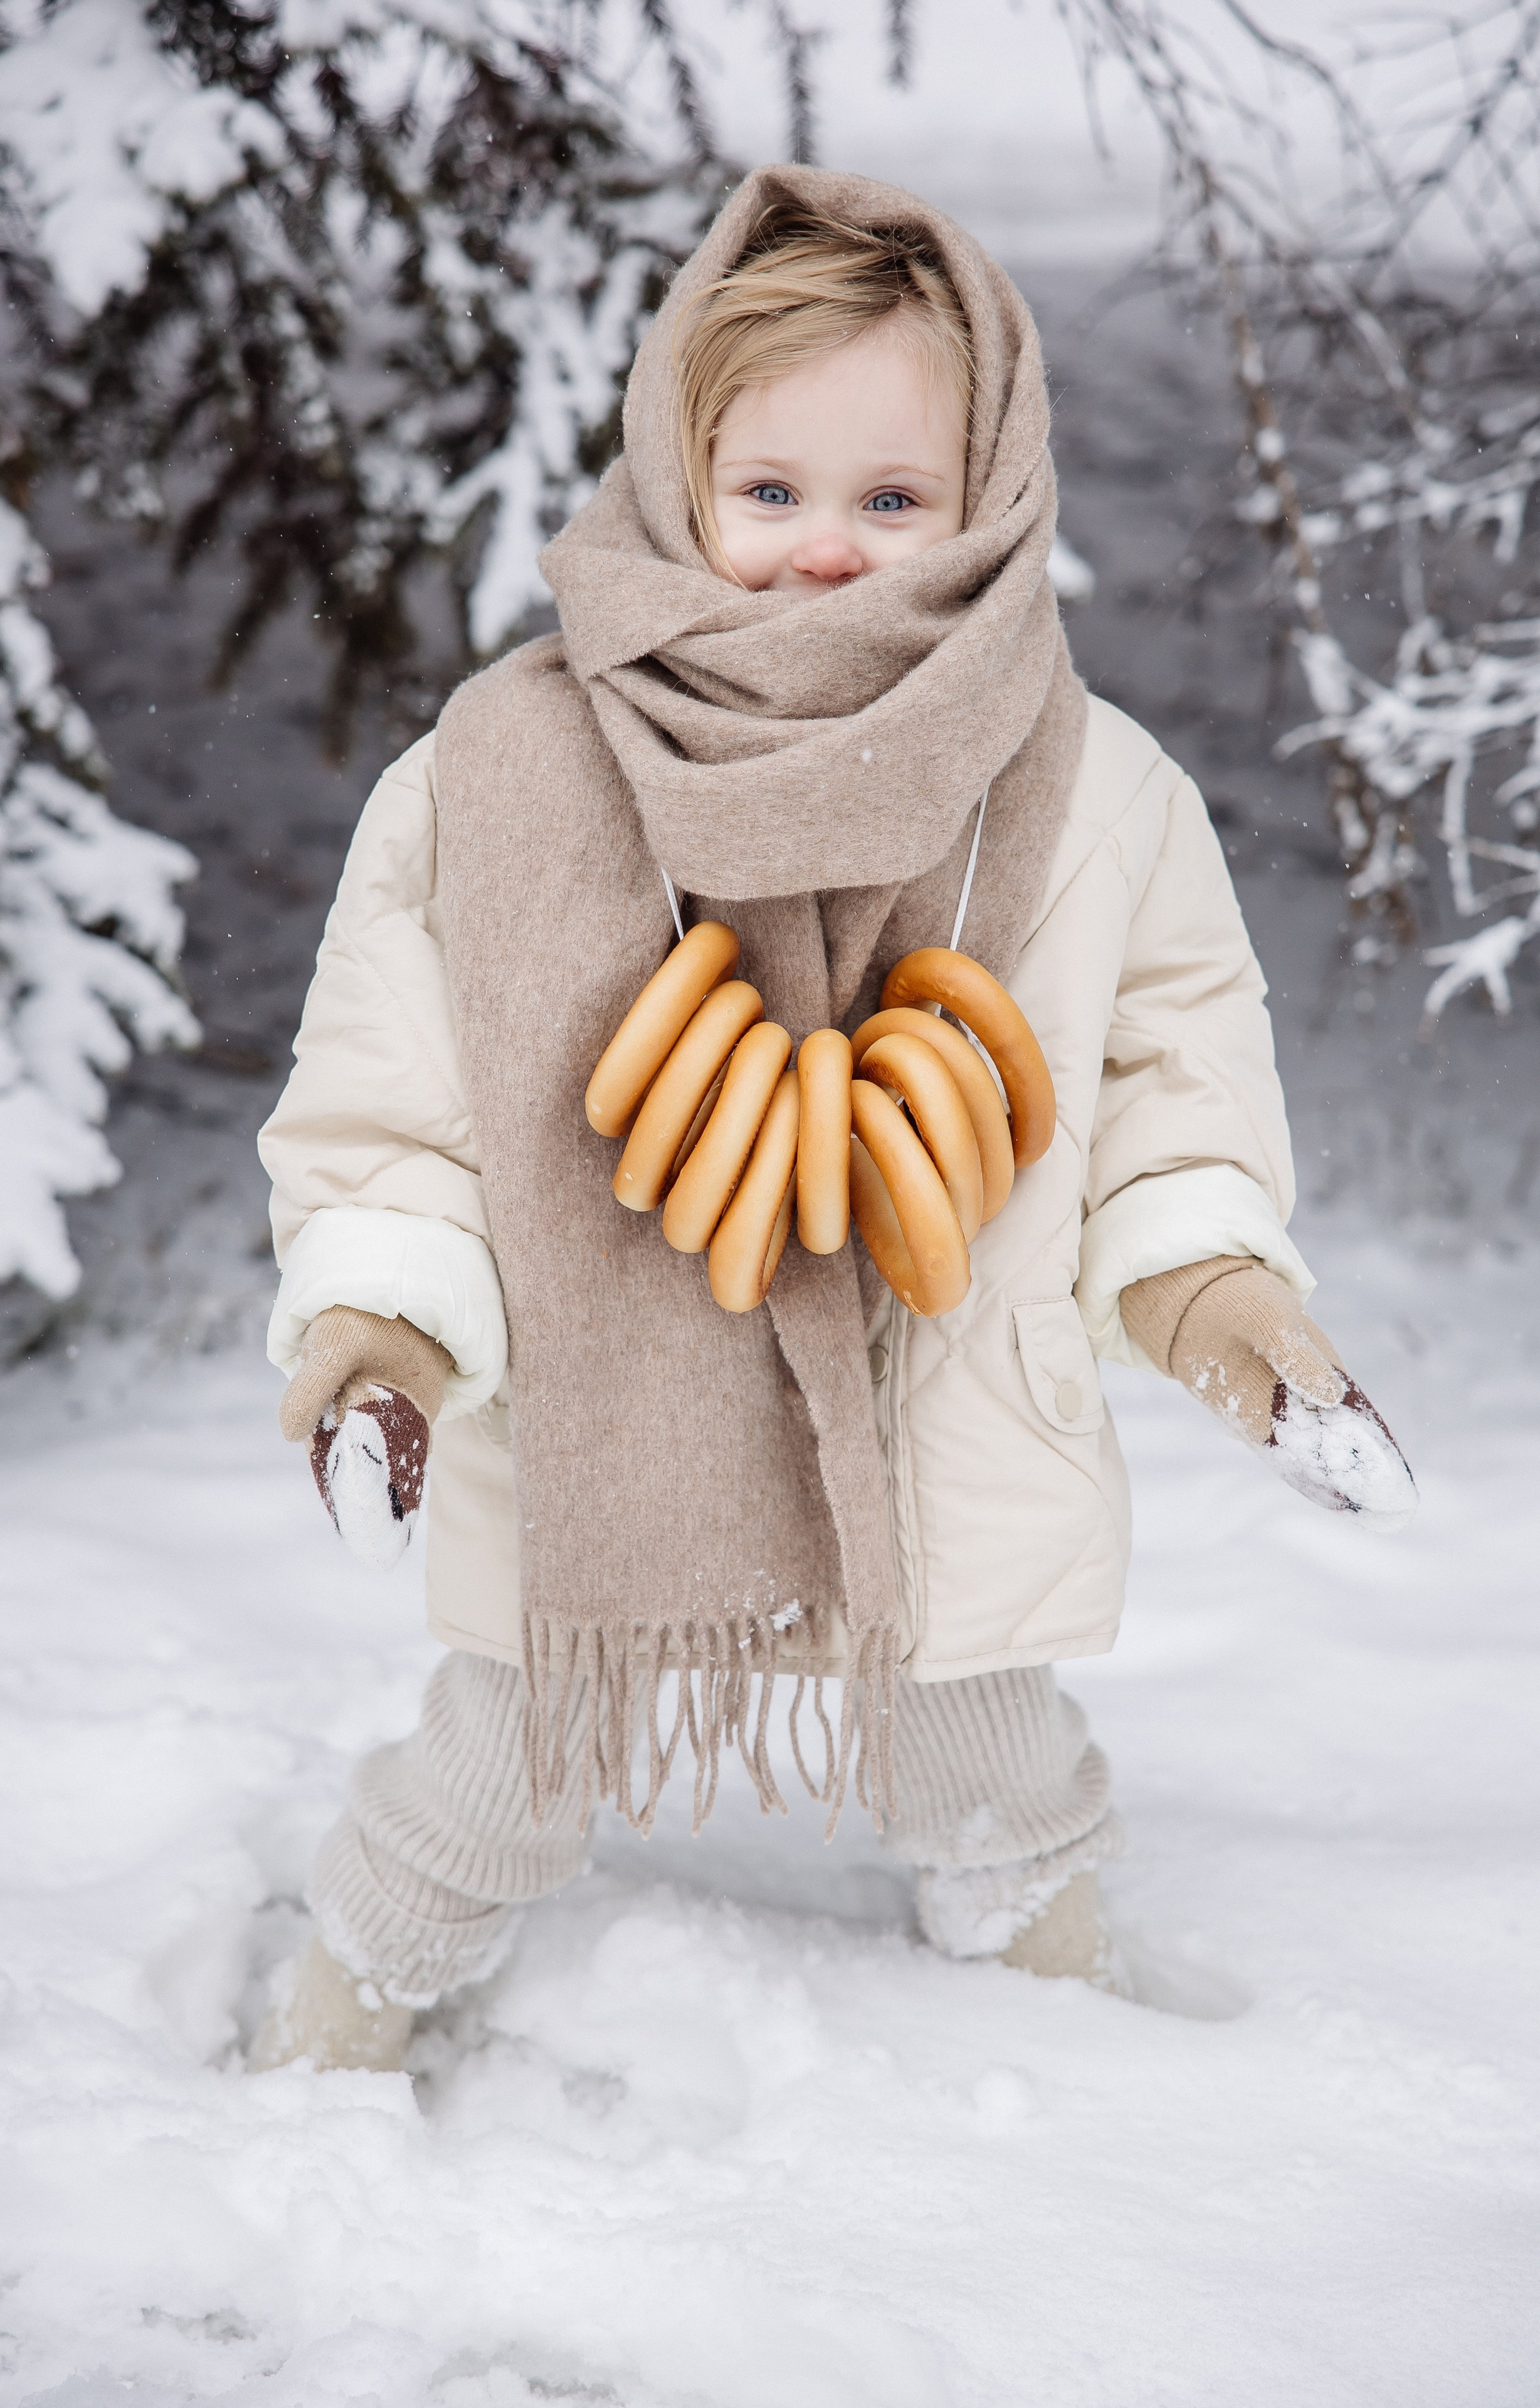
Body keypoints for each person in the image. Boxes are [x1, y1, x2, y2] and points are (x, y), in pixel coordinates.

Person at [250, 166, 1412, 2076]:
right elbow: (399, 1116)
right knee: (500, 1776)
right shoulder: (502, 779)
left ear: (990, 492)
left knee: (991, 1762)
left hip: (937, 1417)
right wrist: (381, 1340)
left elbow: (1169, 1103)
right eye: (772, 491)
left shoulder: (1092, 792)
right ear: (678, 470)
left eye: (891, 500)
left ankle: (1078, 2035)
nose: (823, 552)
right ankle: (337, 2020)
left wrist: (1226, 1308)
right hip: (598, 1437)